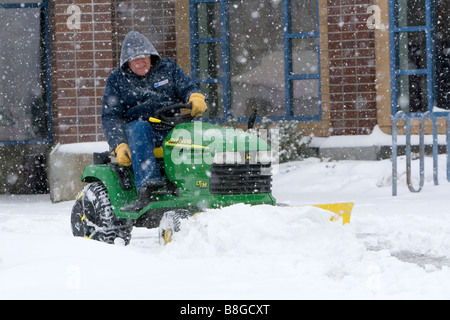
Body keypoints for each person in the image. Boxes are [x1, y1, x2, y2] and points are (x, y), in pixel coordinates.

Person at [101, 31, 207, 211]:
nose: (141, 62)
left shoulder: (169, 68)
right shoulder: (117, 80)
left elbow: (188, 87)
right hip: (141, 133)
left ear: (152, 56)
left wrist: (195, 97)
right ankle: (149, 186)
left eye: (144, 57)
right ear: (127, 62)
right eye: (136, 59)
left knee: (197, 133)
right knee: (139, 128)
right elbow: (111, 117)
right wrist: (119, 145)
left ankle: (202, 185)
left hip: (171, 125)